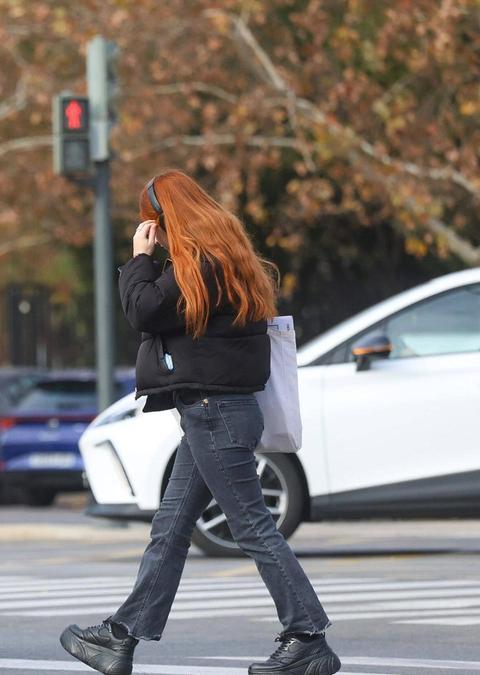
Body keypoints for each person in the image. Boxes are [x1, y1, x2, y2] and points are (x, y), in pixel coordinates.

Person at [58, 170, 340, 675]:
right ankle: (122, 635)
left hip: (215, 413)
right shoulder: (219, 259)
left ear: (169, 218)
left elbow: (144, 310)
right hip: (210, 412)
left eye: (154, 223)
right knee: (170, 527)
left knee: (252, 525)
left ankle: (307, 636)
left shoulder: (202, 264)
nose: (154, 234)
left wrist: (140, 259)